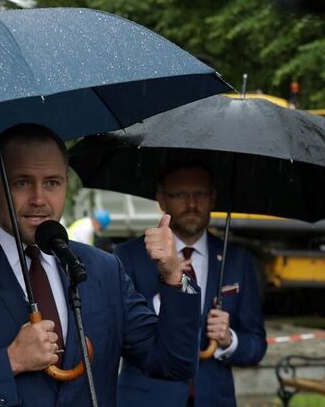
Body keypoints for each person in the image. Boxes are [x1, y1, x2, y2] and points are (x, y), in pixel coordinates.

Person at [0, 124, 201, 406]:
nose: (39, 198)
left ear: (66, 183)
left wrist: (174, 276)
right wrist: (10, 360)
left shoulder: (103, 269)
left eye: (52, 182)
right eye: (23, 182)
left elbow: (173, 364)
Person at [114, 162, 267, 406]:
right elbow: (118, 339)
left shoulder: (237, 260)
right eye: (181, 195)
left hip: (214, 399)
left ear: (214, 197)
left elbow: (257, 345)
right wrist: (169, 293)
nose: (192, 204)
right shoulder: (127, 257)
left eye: (200, 194)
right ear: (161, 199)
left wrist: (229, 340)